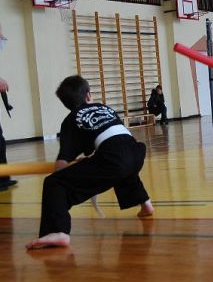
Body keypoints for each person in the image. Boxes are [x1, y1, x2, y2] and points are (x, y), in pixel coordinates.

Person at [26, 75, 154, 250]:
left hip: (113, 159)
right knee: (123, 169)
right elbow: (109, 140)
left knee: (54, 183)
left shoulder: (71, 119)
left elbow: (63, 160)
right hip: (136, 151)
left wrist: (61, 175)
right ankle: (146, 204)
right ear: (88, 96)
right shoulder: (104, 108)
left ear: (66, 104)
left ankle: (58, 231)